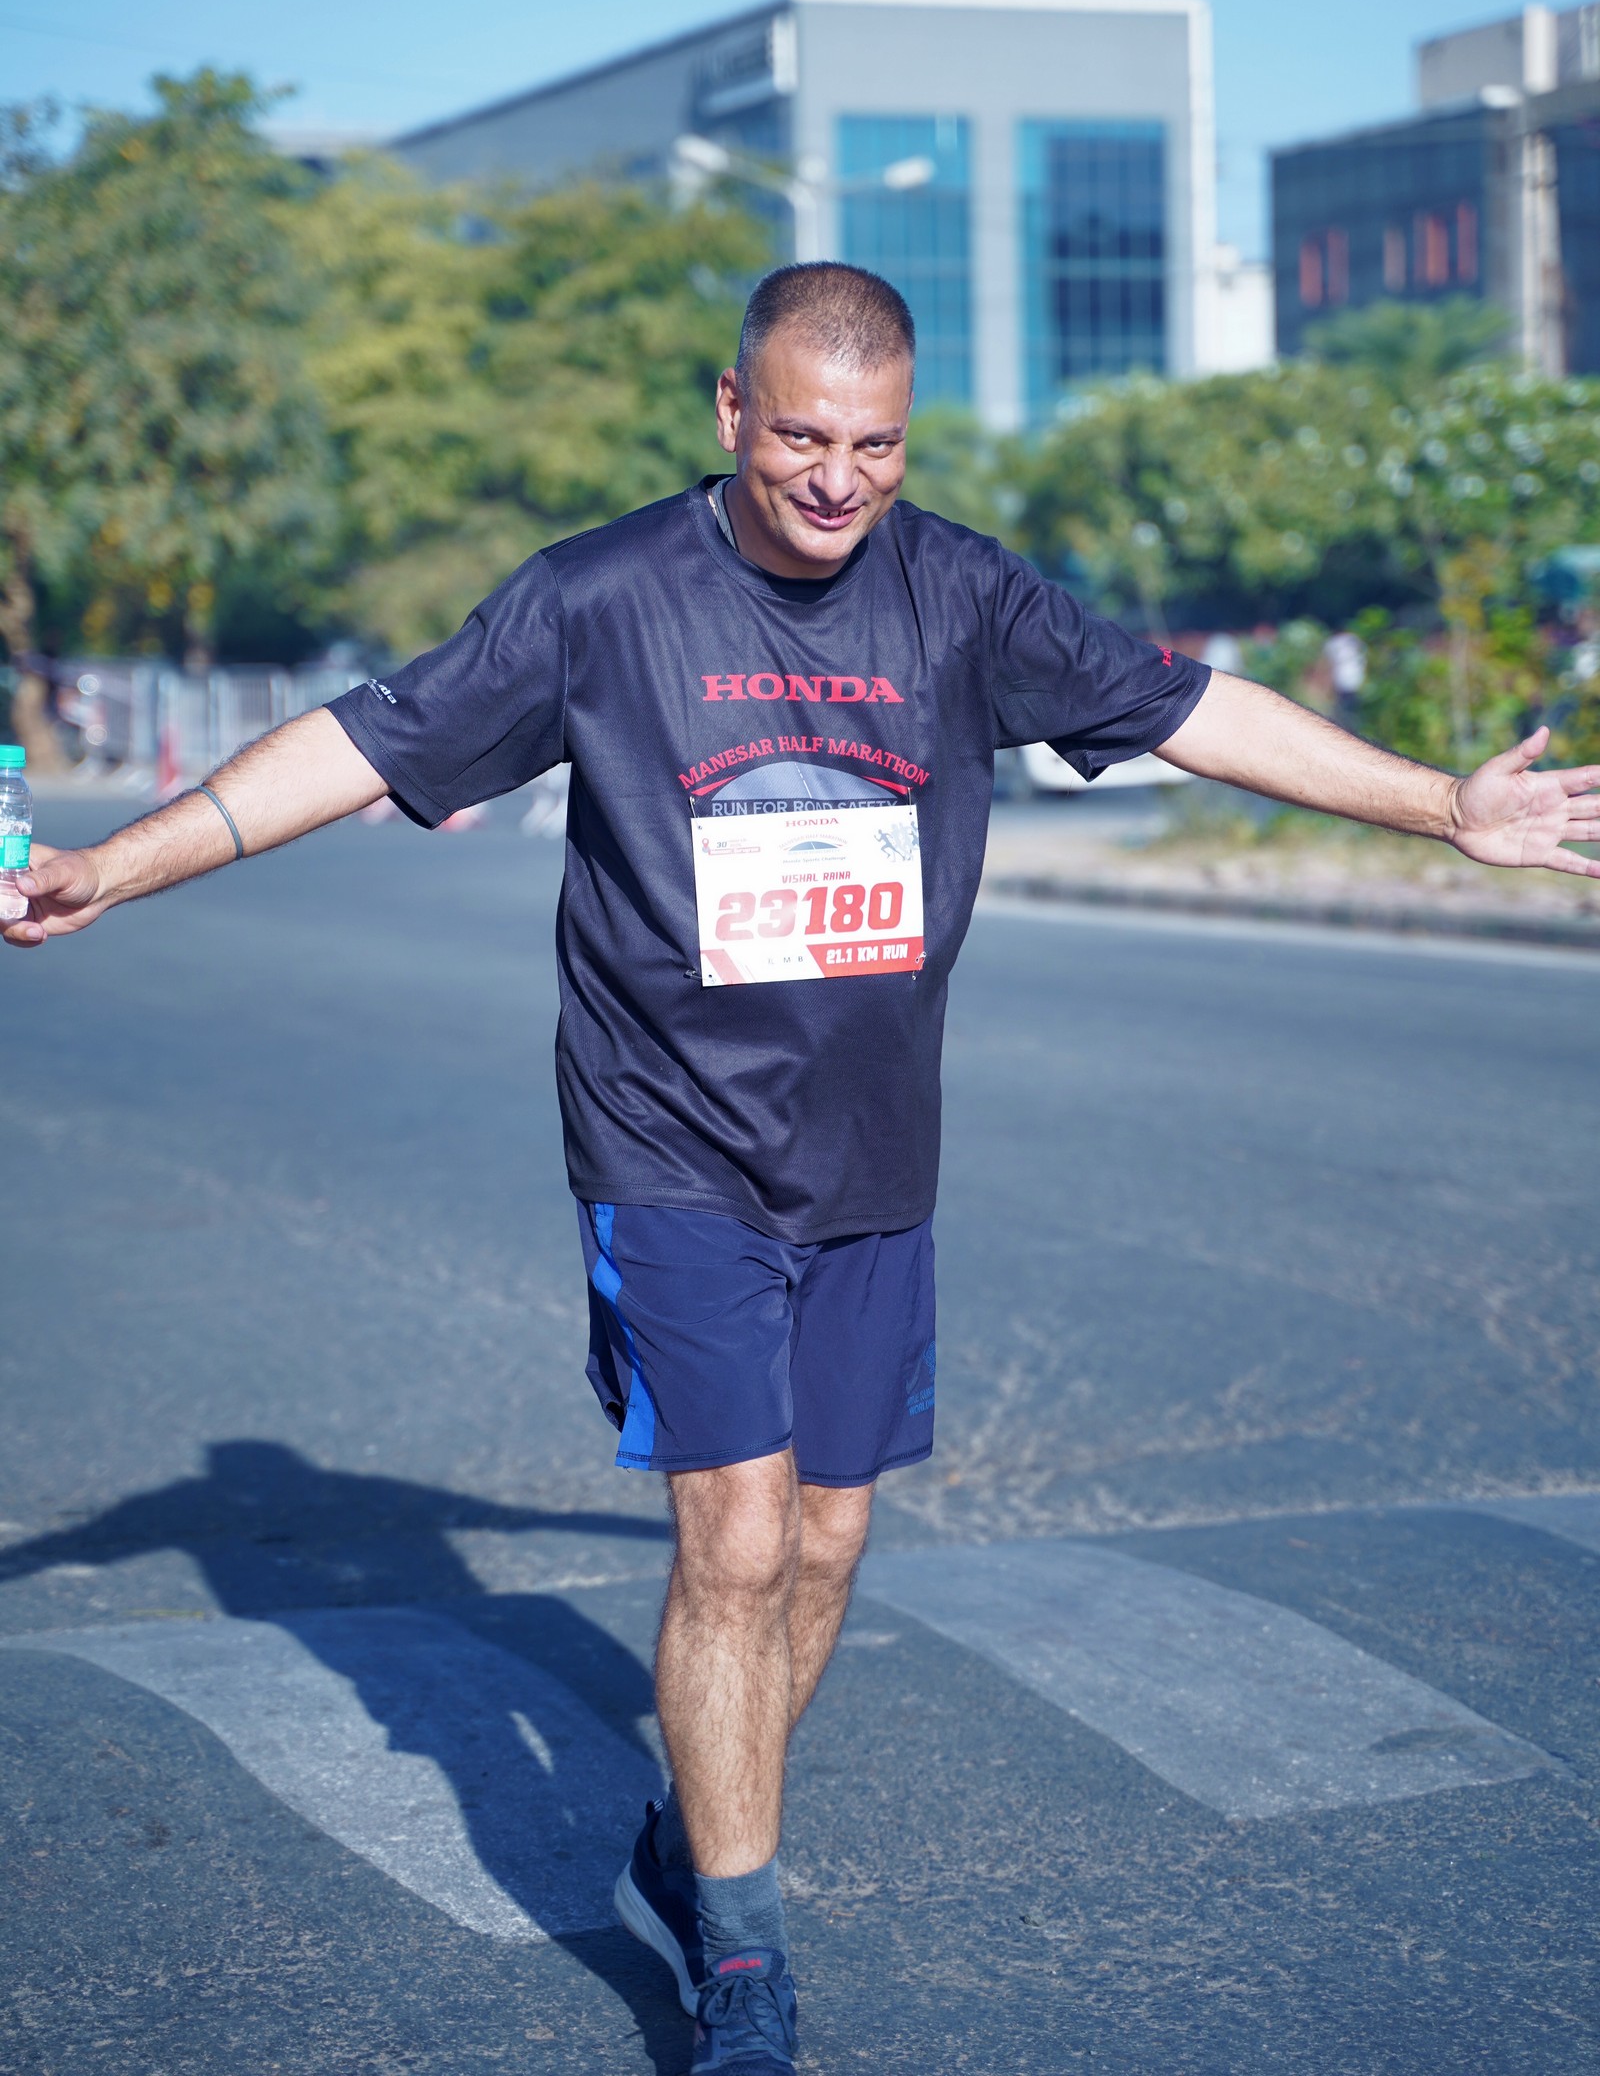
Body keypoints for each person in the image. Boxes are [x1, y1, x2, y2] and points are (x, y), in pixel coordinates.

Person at [9, 263, 1599, 2076]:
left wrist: (1442, 806)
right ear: (730, 411)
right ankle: (746, 1955)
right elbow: (363, 743)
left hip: (872, 1148)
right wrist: (112, 864)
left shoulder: (963, 593)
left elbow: (1188, 708)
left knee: (830, 1539)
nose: (839, 480)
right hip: (667, 1136)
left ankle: (697, 1830)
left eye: (877, 447)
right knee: (741, 1536)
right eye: (802, 439)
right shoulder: (601, 597)